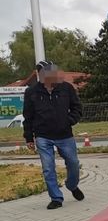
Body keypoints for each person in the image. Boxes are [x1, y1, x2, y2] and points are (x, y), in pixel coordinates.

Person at [22, 61, 84, 209]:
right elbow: (28, 116)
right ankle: (56, 198)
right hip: (43, 136)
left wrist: (69, 120)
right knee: (48, 168)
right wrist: (29, 137)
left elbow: (77, 107)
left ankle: (72, 185)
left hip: (65, 135)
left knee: (73, 164)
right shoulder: (31, 92)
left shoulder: (66, 88)